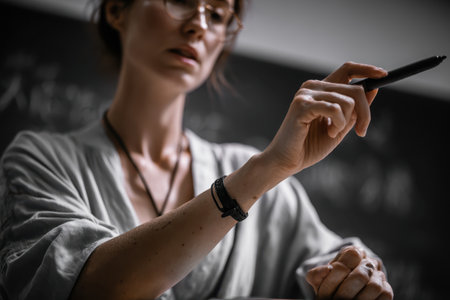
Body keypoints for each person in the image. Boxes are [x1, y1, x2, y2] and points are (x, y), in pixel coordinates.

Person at [0, 0, 394, 299]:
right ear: (118, 10)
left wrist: (355, 273)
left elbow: (326, 258)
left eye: (219, 15)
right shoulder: (39, 160)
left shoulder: (267, 189)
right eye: (181, 0)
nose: (199, 25)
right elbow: (89, 286)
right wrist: (266, 169)